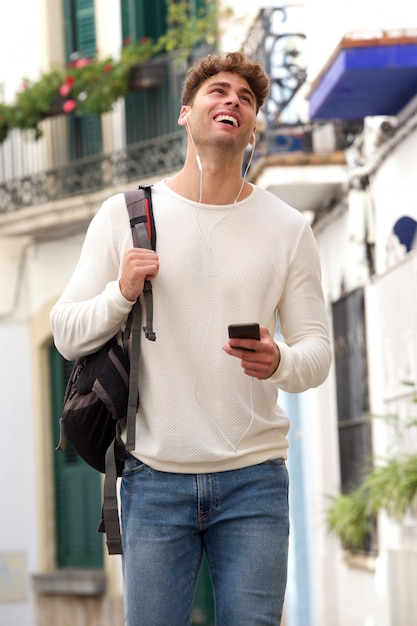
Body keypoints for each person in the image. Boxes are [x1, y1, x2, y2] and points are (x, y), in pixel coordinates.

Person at [50, 51, 331, 626]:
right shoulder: (126, 216)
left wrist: (278, 360)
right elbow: (65, 331)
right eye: (218, 91)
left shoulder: (288, 229)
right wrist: (121, 292)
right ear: (186, 113)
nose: (232, 101)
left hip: (254, 481)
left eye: (246, 99)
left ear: (252, 127)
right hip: (154, 482)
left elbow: (318, 353)